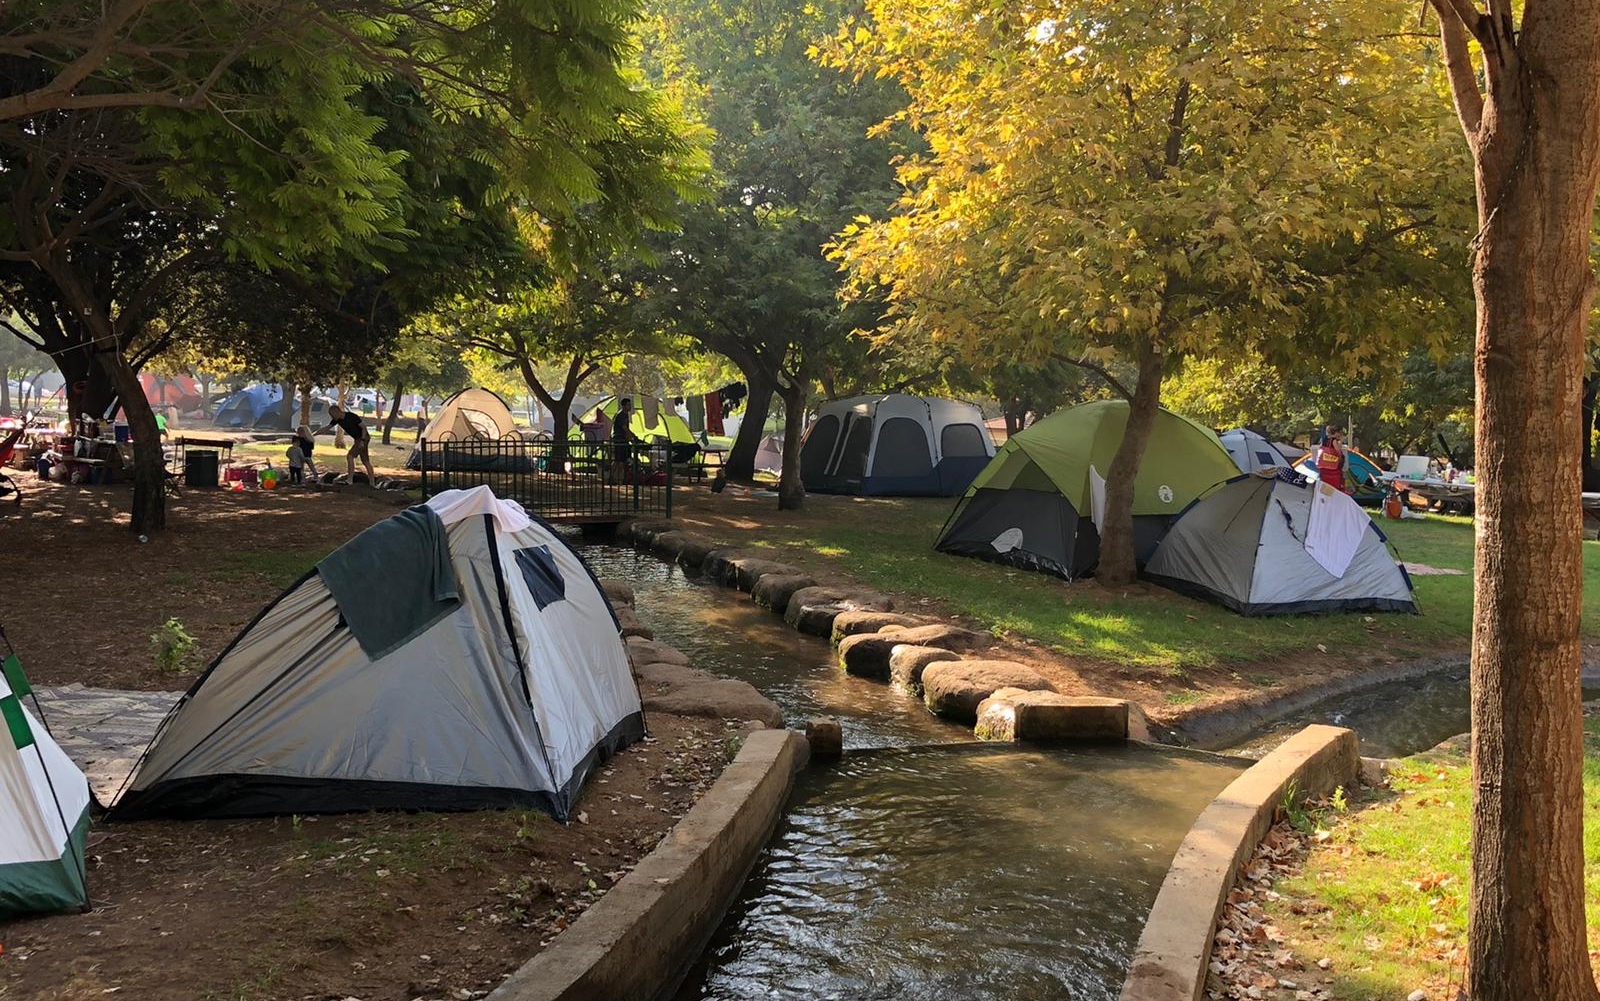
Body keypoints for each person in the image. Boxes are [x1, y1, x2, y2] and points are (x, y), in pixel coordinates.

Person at [318, 404, 374, 482]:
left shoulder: (351, 416)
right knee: (365, 461)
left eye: (332, 415)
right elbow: (327, 428)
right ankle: (372, 483)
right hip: (357, 439)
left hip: (362, 437)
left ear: (337, 412)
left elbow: (363, 427)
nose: (331, 417)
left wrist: (362, 440)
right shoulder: (337, 420)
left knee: (350, 456)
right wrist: (314, 434)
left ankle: (350, 480)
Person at [1314, 424, 1350, 494]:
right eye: (1340, 432)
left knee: (1325, 481)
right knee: (1334, 481)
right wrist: (1341, 441)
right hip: (1332, 466)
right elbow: (1338, 450)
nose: (1340, 434)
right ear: (1336, 432)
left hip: (1324, 465)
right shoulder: (1333, 440)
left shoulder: (1325, 439)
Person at [611, 398, 638, 481]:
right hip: (619, 439)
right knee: (618, 460)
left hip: (624, 439)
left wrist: (630, 437)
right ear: (623, 406)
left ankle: (623, 478)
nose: (630, 406)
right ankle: (612, 477)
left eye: (630, 405)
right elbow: (624, 428)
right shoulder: (621, 415)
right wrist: (633, 435)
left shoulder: (626, 415)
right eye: (628, 405)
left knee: (624, 459)